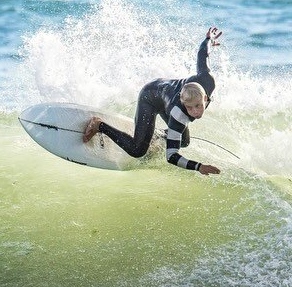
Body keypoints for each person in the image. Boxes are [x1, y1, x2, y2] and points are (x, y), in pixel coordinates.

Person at [82, 27, 223, 176]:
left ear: (205, 98)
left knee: (184, 141)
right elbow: (171, 156)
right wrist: (198, 167)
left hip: (165, 95)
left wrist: (208, 39)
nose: (195, 112)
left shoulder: (207, 80)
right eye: (190, 108)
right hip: (151, 96)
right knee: (138, 150)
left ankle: (152, 136)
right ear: (183, 103)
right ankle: (99, 125)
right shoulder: (178, 113)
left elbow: (203, 55)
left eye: (198, 106)